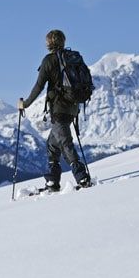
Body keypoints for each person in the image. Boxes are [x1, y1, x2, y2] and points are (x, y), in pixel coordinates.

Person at [18, 29, 91, 191]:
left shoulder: (49, 60)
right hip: (72, 107)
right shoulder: (73, 58)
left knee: (65, 143)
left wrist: (26, 104)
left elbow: (39, 86)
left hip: (58, 108)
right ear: (63, 41)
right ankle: (52, 181)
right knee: (52, 144)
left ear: (48, 43)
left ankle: (82, 178)